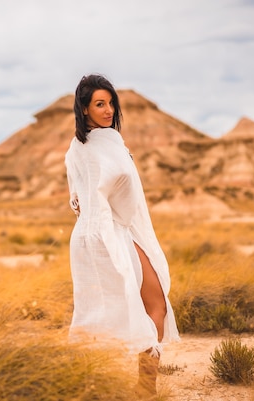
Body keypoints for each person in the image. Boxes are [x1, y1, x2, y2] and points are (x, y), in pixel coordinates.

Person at [64, 74, 180, 396]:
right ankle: (137, 388)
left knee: (147, 306)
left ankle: (142, 387)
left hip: (115, 231)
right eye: (100, 104)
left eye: (111, 102)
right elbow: (85, 201)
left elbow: (84, 197)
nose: (108, 110)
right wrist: (110, 242)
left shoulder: (107, 143)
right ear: (84, 109)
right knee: (117, 313)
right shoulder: (84, 150)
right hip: (105, 234)